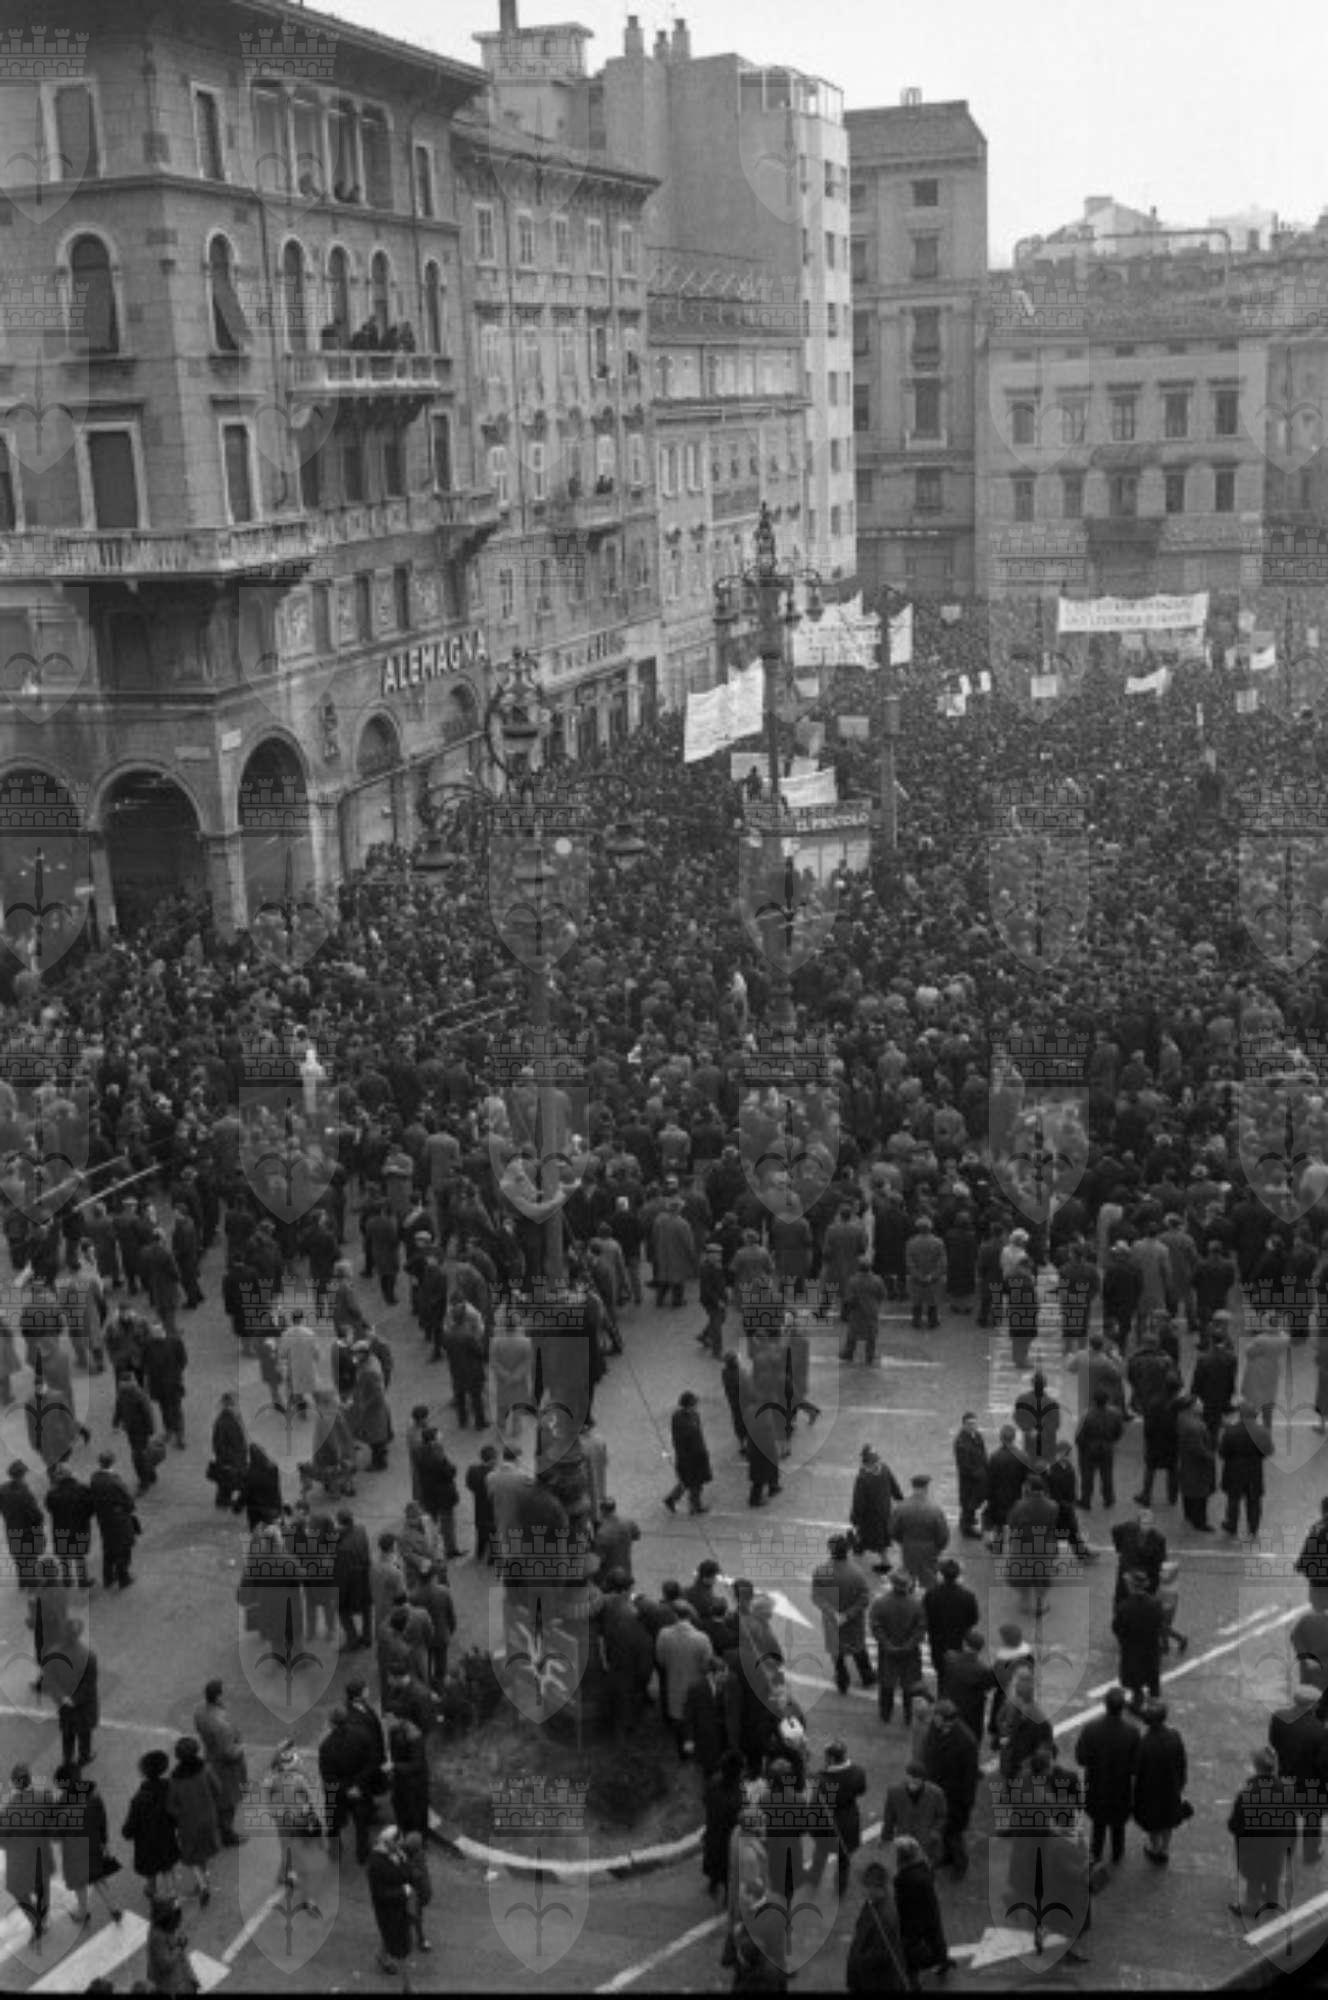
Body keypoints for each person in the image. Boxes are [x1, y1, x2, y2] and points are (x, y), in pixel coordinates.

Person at [1074, 1687, 1142, 1868]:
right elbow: (1135, 1766)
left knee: (1098, 1824)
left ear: (1105, 1704)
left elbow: (1081, 1758)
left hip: (1097, 1785)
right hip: (1120, 1788)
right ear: (1123, 1707)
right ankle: (1117, 1854)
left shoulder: (1090, 1729)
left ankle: (1096, 1854)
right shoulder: (1132, 1732)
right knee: (1118, 1824)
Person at [1228, 1746, 1295, 1921]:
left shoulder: (1248, 1792)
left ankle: (1252, 1905)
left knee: (1254, 1876)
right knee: (1272, 1874)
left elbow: (1236, 1823)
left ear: (1256, 1767)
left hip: (1253, 1845)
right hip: (1277, 1844)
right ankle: (1272, 1902)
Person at [53, 1763, 121, 1926]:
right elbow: (102, 1821)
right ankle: (114, 1908)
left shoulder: (61, 1805)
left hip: (74, 1850)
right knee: (98, 1878)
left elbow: (57, 1834)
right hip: (94, 1844)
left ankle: (82, 1912)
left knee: (80, 1882)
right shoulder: (94, 1796)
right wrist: (104, 1841)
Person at [812, 1534, 876, 1695]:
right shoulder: (857, 1573)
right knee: (858, 1647)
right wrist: (847, 1615)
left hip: (832, 1620)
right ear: (847, 1550)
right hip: (853, 1621)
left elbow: (817, 1597)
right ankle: (867, 1676)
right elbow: (864, 1598)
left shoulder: (821, 1571)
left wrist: (832, 1613)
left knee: (837, 1651)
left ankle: (842, 1680)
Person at [923, 1699, 979, 1877]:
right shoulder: (935, 1729)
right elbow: (928, 1750)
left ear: (947, 1719)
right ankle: (948, 1857)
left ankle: (960, 1864)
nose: (933, 1719)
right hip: (937, 1789)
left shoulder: (966, 1741)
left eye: (937, 1716)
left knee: (954, 1833)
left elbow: (969, 1776)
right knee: (944, 1830)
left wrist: (967, 1803)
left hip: (955, 1797)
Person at [1, 1763, 55, 1941]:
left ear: (14, 1784)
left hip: (21, 1861)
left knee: (18, 1891)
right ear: (30, 1779)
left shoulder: (9, 1811)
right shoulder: (45, 1797)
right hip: (43, 1853)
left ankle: (36, 1923)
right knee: (43, 1888)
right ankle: (44, 1919)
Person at [165, 1737, 222, 1905]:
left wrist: (180, 1815)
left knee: (192, 1855)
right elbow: (218, 1789)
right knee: (204, 1849)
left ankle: (202, 1884)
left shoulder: (175, 1779)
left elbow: (171, 1806)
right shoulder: (206, 1769)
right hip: (208, 1817)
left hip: (188, 1823)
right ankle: (203, 1879)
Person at [891, 1833, 954, 1983]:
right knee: (935, 1934)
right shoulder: (923, 1868)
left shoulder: (904, 1878)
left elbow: (898, 1898)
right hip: (928, 1909)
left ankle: (913, 1976)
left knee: (910, 1947)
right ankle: (942, 1960)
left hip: (911, 1917)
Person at [1133, 1700, 1189, 1865]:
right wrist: (1181, 1783)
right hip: (1171, 1788)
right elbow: (1181, 1763)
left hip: (1150, 1790)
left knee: (1153, 1823)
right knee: (1167, 1821)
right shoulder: (1174, 1736)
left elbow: (1138, 1771)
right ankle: (1165, 1848)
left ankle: (1155, 1847)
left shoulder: (1144, 1743)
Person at [811, 1738, 868, 1896]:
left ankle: (813, 1882)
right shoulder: (858, 1772)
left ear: (830, 1758)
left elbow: (815, 1806)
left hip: (826, 1824)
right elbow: (861, 1790)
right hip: (849, 1820)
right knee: (844, 1860)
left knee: (820, 1854)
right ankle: (840, 1889)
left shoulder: (821, 1780)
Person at [193, 1681, 247, 1846]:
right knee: (228, 1801)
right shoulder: (221, 1725)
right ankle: (227, 1834)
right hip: (225, 1767)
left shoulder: (200, 1710)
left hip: (210, 1756)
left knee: (216, 1795)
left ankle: (217, 1823)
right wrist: (241, 1747)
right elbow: (229, 1753)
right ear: (218, 1697)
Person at [122, 1748, 180, 1903]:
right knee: (167, 1866)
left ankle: (151, 1888)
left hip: (146, 1842)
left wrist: (126, 1832)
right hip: (166, 1836)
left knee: (150, 1868)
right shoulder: (169, 1787)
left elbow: (131, 1824)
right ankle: (172, 1892)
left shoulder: (139, 1799)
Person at [871, 1569, 926, 1728]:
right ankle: (908, 1716)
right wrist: (908, 1646)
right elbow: (920, 1629)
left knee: (887, 1684)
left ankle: (885, 1714)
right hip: (910, 1654)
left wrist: (888, 1645)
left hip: (888, 1653)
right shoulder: (916, 1605)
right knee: (909, 1686)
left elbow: (876, 1627)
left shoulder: (880, 1603)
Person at [846, 1859, 911, 1991]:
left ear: (876, 1886)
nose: (864, 1891)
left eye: (867, 1886)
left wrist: (858, 1962)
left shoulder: (884, 1916)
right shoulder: (873, 1903)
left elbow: (881, 1955)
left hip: (876, 1981)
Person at [368, 1824, 416, 1987]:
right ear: (389, 1842)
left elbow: (407, 1874)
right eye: (398, 1843)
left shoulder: (397, 1854)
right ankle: (407, 1986)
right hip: (388, 1911)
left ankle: (381, 1956)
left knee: (390, 1935)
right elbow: (380, 1893)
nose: (400, 1846)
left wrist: (404, 1861)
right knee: (401, 1948)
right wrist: (403, 1891)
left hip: (400, 1907)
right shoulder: (376, 1863)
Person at [1113, 1570, 1167, 1714]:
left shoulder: (1124, 1606)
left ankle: (1137, 1703)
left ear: (1131, 1586)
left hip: (1132, 1650)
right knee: (1153, 1678)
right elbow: (1161, 1624)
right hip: (1151, 1649)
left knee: (1134, 1681)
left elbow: (1117, 1628)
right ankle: (1155, 1708)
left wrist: (1124, 1640)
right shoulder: (1155, 1603)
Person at [1220, 1402, 1273, 1537]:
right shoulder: (1262, 1432)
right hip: (1254, 1471)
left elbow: (1222, 1452)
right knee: (1254, 1501)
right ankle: (1253, 1527)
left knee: (1233, 1500)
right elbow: (1269, 1450)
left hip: (1234, 1471)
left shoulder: (1231, 1431)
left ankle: (1232, 1525)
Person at [880, 1762, 946, 1867]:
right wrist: (886, 1839)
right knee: (903, 1868)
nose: (912, 1783)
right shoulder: (894, 1792)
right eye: (910, 1778)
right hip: (903, 1842)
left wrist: (933, 1834)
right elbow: (889, 1818)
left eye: (916, 1780)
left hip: (926, 1843)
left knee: (925, 1868)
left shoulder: (937, 1793)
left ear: (923, 1780)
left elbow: (942, 1816)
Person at [891, 1473, 950, 1591]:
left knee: (908, 1576)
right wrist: (938, 1548)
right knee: (929, 1579)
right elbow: (943, 1535)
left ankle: (909, 1596)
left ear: (913, 1487)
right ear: (926, 1488)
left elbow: (893, 1530)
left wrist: (904, 1541)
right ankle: (930, 1599)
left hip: (909, 1547)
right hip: (929, 1549)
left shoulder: (901, 1507)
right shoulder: (935, 1509)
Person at [924, 1560, 979, 1677]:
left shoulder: (931, 1594)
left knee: (940, 1669)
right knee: (954, 1669)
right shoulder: (968, 1596)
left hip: (937, 1638)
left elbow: (924, 1617)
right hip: (957, 1639)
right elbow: (973, 1619)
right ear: (957, 1575)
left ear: (942, 1574)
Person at [703, 1749, 746, 1899]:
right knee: (729, 1866)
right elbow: (738, 1812)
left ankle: (713, 1883)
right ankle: (729, 1895)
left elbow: (705, 1800)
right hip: (728, 1835)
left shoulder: (713, 1783)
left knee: (713, 1857)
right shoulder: (735, 1791)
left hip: (713, 1830)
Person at [665, 1390, 713, 1515]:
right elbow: (684, 1438)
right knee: (694, 1482)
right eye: (694, 1403)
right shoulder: (679, 1418)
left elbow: (698, 1435)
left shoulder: (694, 1415)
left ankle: (672, 1499)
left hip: (698, 1454)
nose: (696, 1406)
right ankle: (695, 1506)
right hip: (688, 1456)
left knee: (689, 1482)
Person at [851, 1445, 903, 1560]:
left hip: (869, 1517)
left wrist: (855, 1518)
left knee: (866, 1537)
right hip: (884, 1512)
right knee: (881, 1538)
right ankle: (880, 1557)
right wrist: (899, 1498)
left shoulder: (862, 1478)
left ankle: (879, 1559)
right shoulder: (884, 1468)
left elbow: (858, 1502)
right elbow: (894, 1486)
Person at [0, 1459, 45, 1587]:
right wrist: (39, 1521)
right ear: (22, 1474)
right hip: (27, 1529)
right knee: (30, 1555)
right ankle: (33, 1581)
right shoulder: (24, 1492)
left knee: (18, 1555)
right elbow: (34, 1513)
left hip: (11, 1528)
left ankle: (23, 1581)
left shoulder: (2, 1489)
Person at [145, 1895, 200, 1996]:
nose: (178, 1923)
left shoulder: (162, 1928)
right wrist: (179, 1947)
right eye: (176, 1921)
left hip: (175, 1973)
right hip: (169, 1980)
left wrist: (178, 1942)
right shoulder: (157, 1937)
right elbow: (166, 1963)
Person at [952, 1414, 988, 1539]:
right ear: (964, 1425)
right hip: (969, 1479)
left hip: (978, 1476)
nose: (972, 1426)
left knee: (974, 1502)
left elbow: (983, 1454)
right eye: (969, 1424)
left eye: (974, 1423)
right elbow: (964, 1465)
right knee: (968, 1503)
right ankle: (967, 1529)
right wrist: (979, 1474)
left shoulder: (977, 1436)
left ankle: (968, 1520)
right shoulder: (961, 1442)